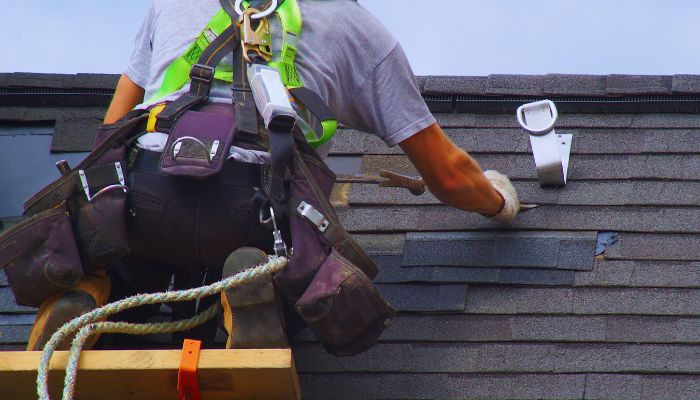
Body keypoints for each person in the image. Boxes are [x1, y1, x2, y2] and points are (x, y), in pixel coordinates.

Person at [28, 0, 519, 351]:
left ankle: (92, 292)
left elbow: (110, 137)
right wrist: (499, 201)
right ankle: (255, 297)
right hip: (255, 212)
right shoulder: (357, 30)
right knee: (293, 263)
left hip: (147, 201)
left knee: (124, 253)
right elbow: (450, 177)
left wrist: (86, 226)